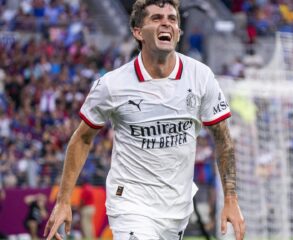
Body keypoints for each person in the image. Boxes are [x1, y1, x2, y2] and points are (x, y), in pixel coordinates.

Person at [44, 0, 245, 239]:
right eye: (157, 18)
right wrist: (63, 200)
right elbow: (82, 139)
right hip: (130, 203)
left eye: (172, 19)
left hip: (176, 209)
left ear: (178, 32)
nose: (166, 23)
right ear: (138, 32)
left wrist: (231, 199)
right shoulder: (113, 85)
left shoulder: (200, 77)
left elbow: (223, 139)